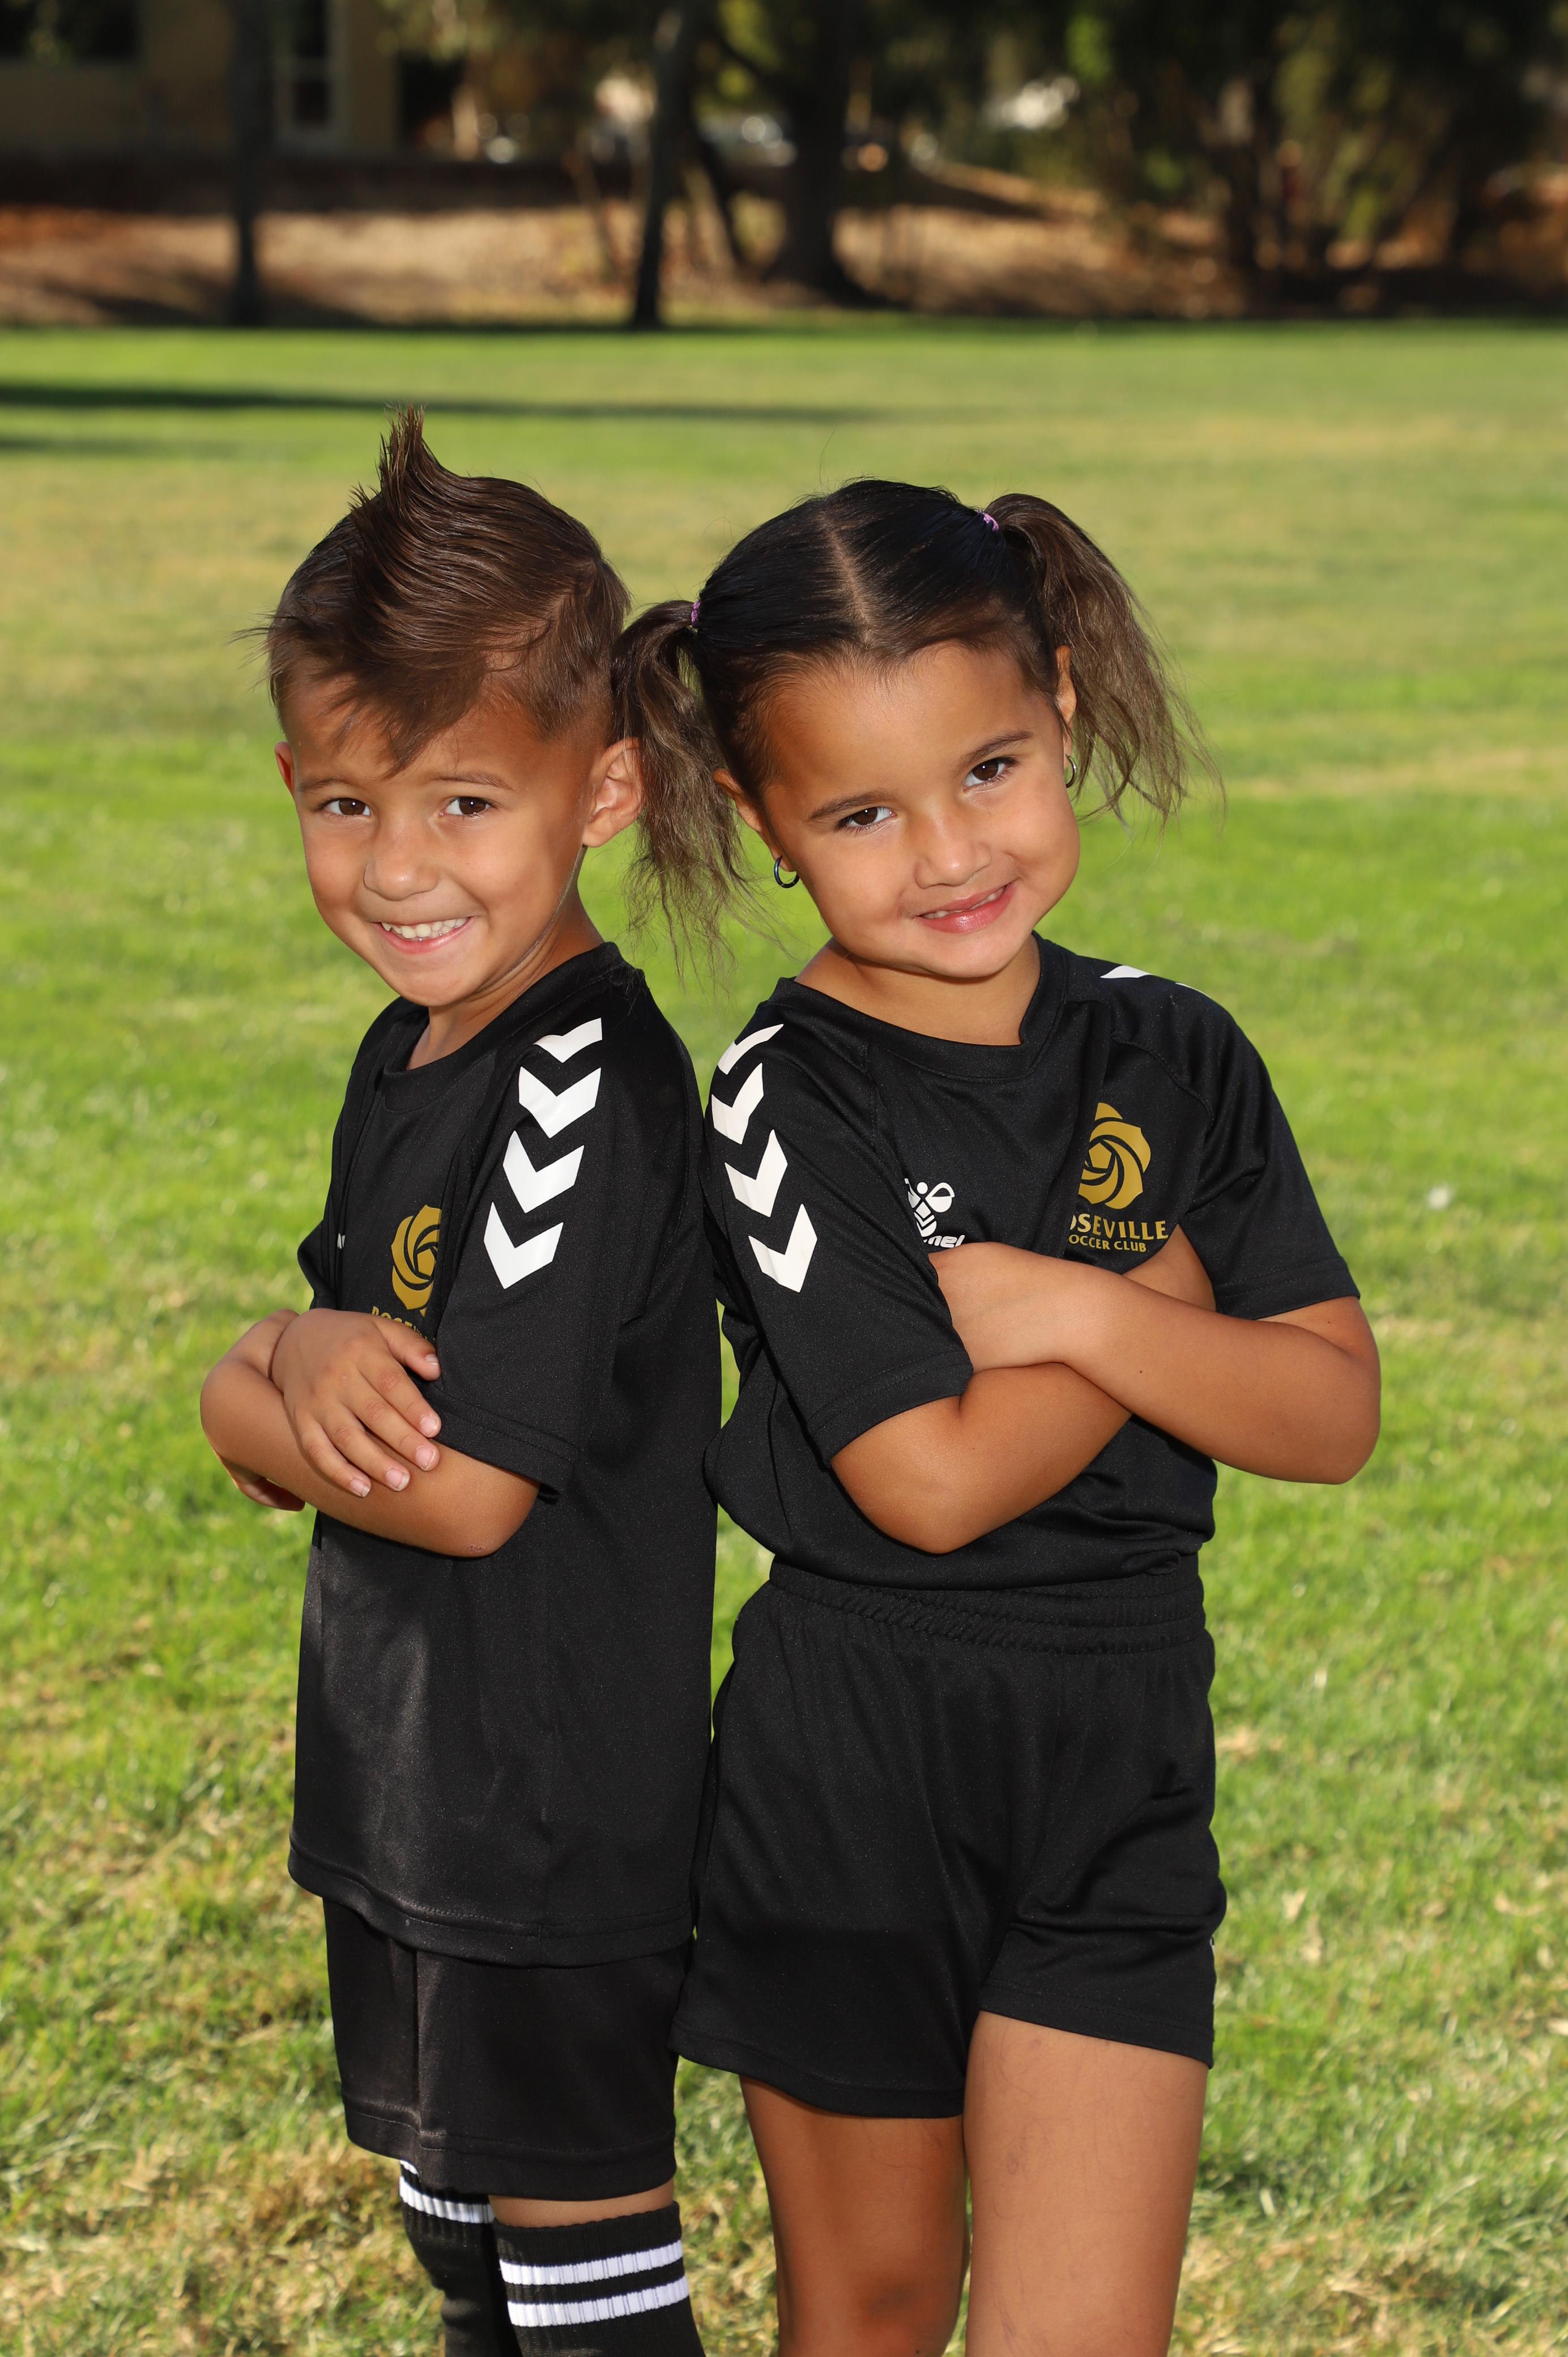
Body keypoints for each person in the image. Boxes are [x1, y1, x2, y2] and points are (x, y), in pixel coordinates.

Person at [612, 480, 1380, 2357]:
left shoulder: (1176, 1051)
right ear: (761, 819)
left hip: (1125, 1750)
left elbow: (1330, 1412)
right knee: (875, 2308)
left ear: (1061, 704)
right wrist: (1173, 1312)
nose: (950, 853)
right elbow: (931, 1482)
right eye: (862, 813)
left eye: (990, 769)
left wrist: (1087, 1310)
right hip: (860, 1767)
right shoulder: (788, 1096)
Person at [200, 415, 718, 2357]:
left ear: (606, 788)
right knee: (466, 2252)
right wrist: (291, 1368)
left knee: (584, 2290)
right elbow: (309, 1424)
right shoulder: (410, 1049)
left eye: (464, 803)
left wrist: (249, 1368)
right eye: (346, 804)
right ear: (291, 783)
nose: (397, 867)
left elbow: (464, 1484)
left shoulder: (581, 1081)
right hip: (416, 1791)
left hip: (547, 1818)